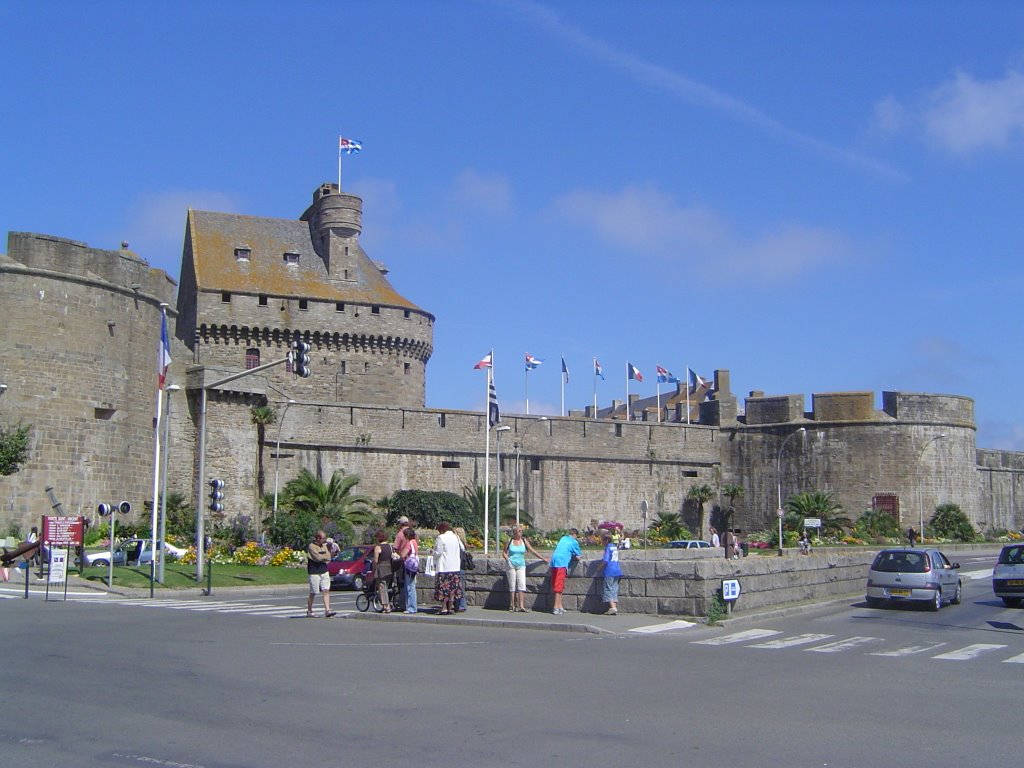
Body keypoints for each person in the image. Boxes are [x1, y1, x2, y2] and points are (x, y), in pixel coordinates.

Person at [502, 525, 547, 612]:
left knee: (522, 584)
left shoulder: (523, 541)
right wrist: (508, 559)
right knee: (512, 585)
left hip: (521, 565)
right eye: (518, 531)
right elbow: (504, 552)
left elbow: (532, 550)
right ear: (514, 532)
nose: (520, 532)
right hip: (511, 564)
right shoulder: (509, 541)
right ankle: (512, 605)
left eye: (521, 531)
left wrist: (543, 558)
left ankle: (521, 605)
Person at [432, 522, 463, 615]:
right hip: (455, 567)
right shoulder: (456, 537)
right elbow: (462, 548)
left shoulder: (441, 538)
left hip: (444, 567)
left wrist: (432, 553)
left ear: (441, 530)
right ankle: (450, 608)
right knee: (452, 590)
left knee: (443, 589)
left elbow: (438, 552)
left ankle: (444, 608)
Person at [548, 528, 581, 615]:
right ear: (575, 535)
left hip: (554, 561)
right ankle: (555, 607)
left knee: (557, 584)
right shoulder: (574, 542)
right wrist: (573, 556)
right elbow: (578, 556)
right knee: (558, 586)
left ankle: (560, 606)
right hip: (561, 563)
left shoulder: (563, 538)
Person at [306, 530, 335, 618]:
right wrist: (323, 557)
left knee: (326, 590)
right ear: (318, 538)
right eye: (323, 538)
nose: (325, 540)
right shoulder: (311, 546)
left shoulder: (324, 546)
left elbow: (328, 557)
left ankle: (327, 610)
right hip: (314, 571)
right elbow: (317, 558)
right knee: (314, 592)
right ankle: (309, 610)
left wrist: (325, 556)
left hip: (324, 570)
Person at [596, 529, 622, 615]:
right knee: (614, 589)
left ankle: (613, 607)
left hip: (609, 571)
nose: (602, 542)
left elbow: (605, 560)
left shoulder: (607, 548)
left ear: (606, 540)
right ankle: (613, 607)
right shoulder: (614, 547)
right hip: (617, 570)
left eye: (602, 540)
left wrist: (599, 568)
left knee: (607, 589)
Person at [372, 530, 398, 613]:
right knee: (386, 587)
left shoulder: (378, 547)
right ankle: (387, 605)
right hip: (390, 568)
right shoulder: (390, 546)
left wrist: (373, 568)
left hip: (381, 569)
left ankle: (386, 606)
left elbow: (376, 560)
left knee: (382, 588)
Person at [398, 527, 419, 614]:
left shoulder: (409, 543)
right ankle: (412, 607)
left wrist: (399, 554)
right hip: (414, 567)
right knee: (412, 586)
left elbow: (403, 554)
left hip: (409, 568)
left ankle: (411, 607)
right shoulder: (414, 542)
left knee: (409, 587)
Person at [454, 526, 469, 612]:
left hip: (459, 567)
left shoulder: (460, 543)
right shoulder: (463, 544)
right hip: (461, 567)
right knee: (459, 587)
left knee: (460, 587)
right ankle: (459, 605)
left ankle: (461, 605)